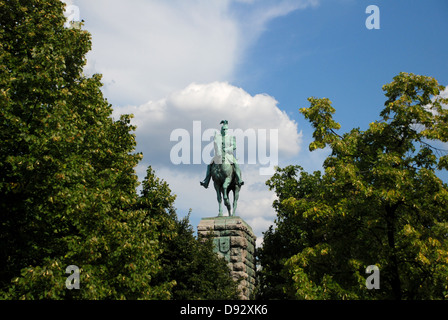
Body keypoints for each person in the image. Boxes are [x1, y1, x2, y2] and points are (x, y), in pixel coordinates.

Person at [200, 120, 244, 188]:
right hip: (219, 155)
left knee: (236, 164)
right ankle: (206, 182)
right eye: (223, 129)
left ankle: (239, 179)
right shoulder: (218, 137)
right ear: (221, 130)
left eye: (225, 129)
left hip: (228, 155)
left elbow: (234, 146)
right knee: (209, 165)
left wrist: (226, 149)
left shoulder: (231, 137)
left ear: (227, 130)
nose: (224, 130)